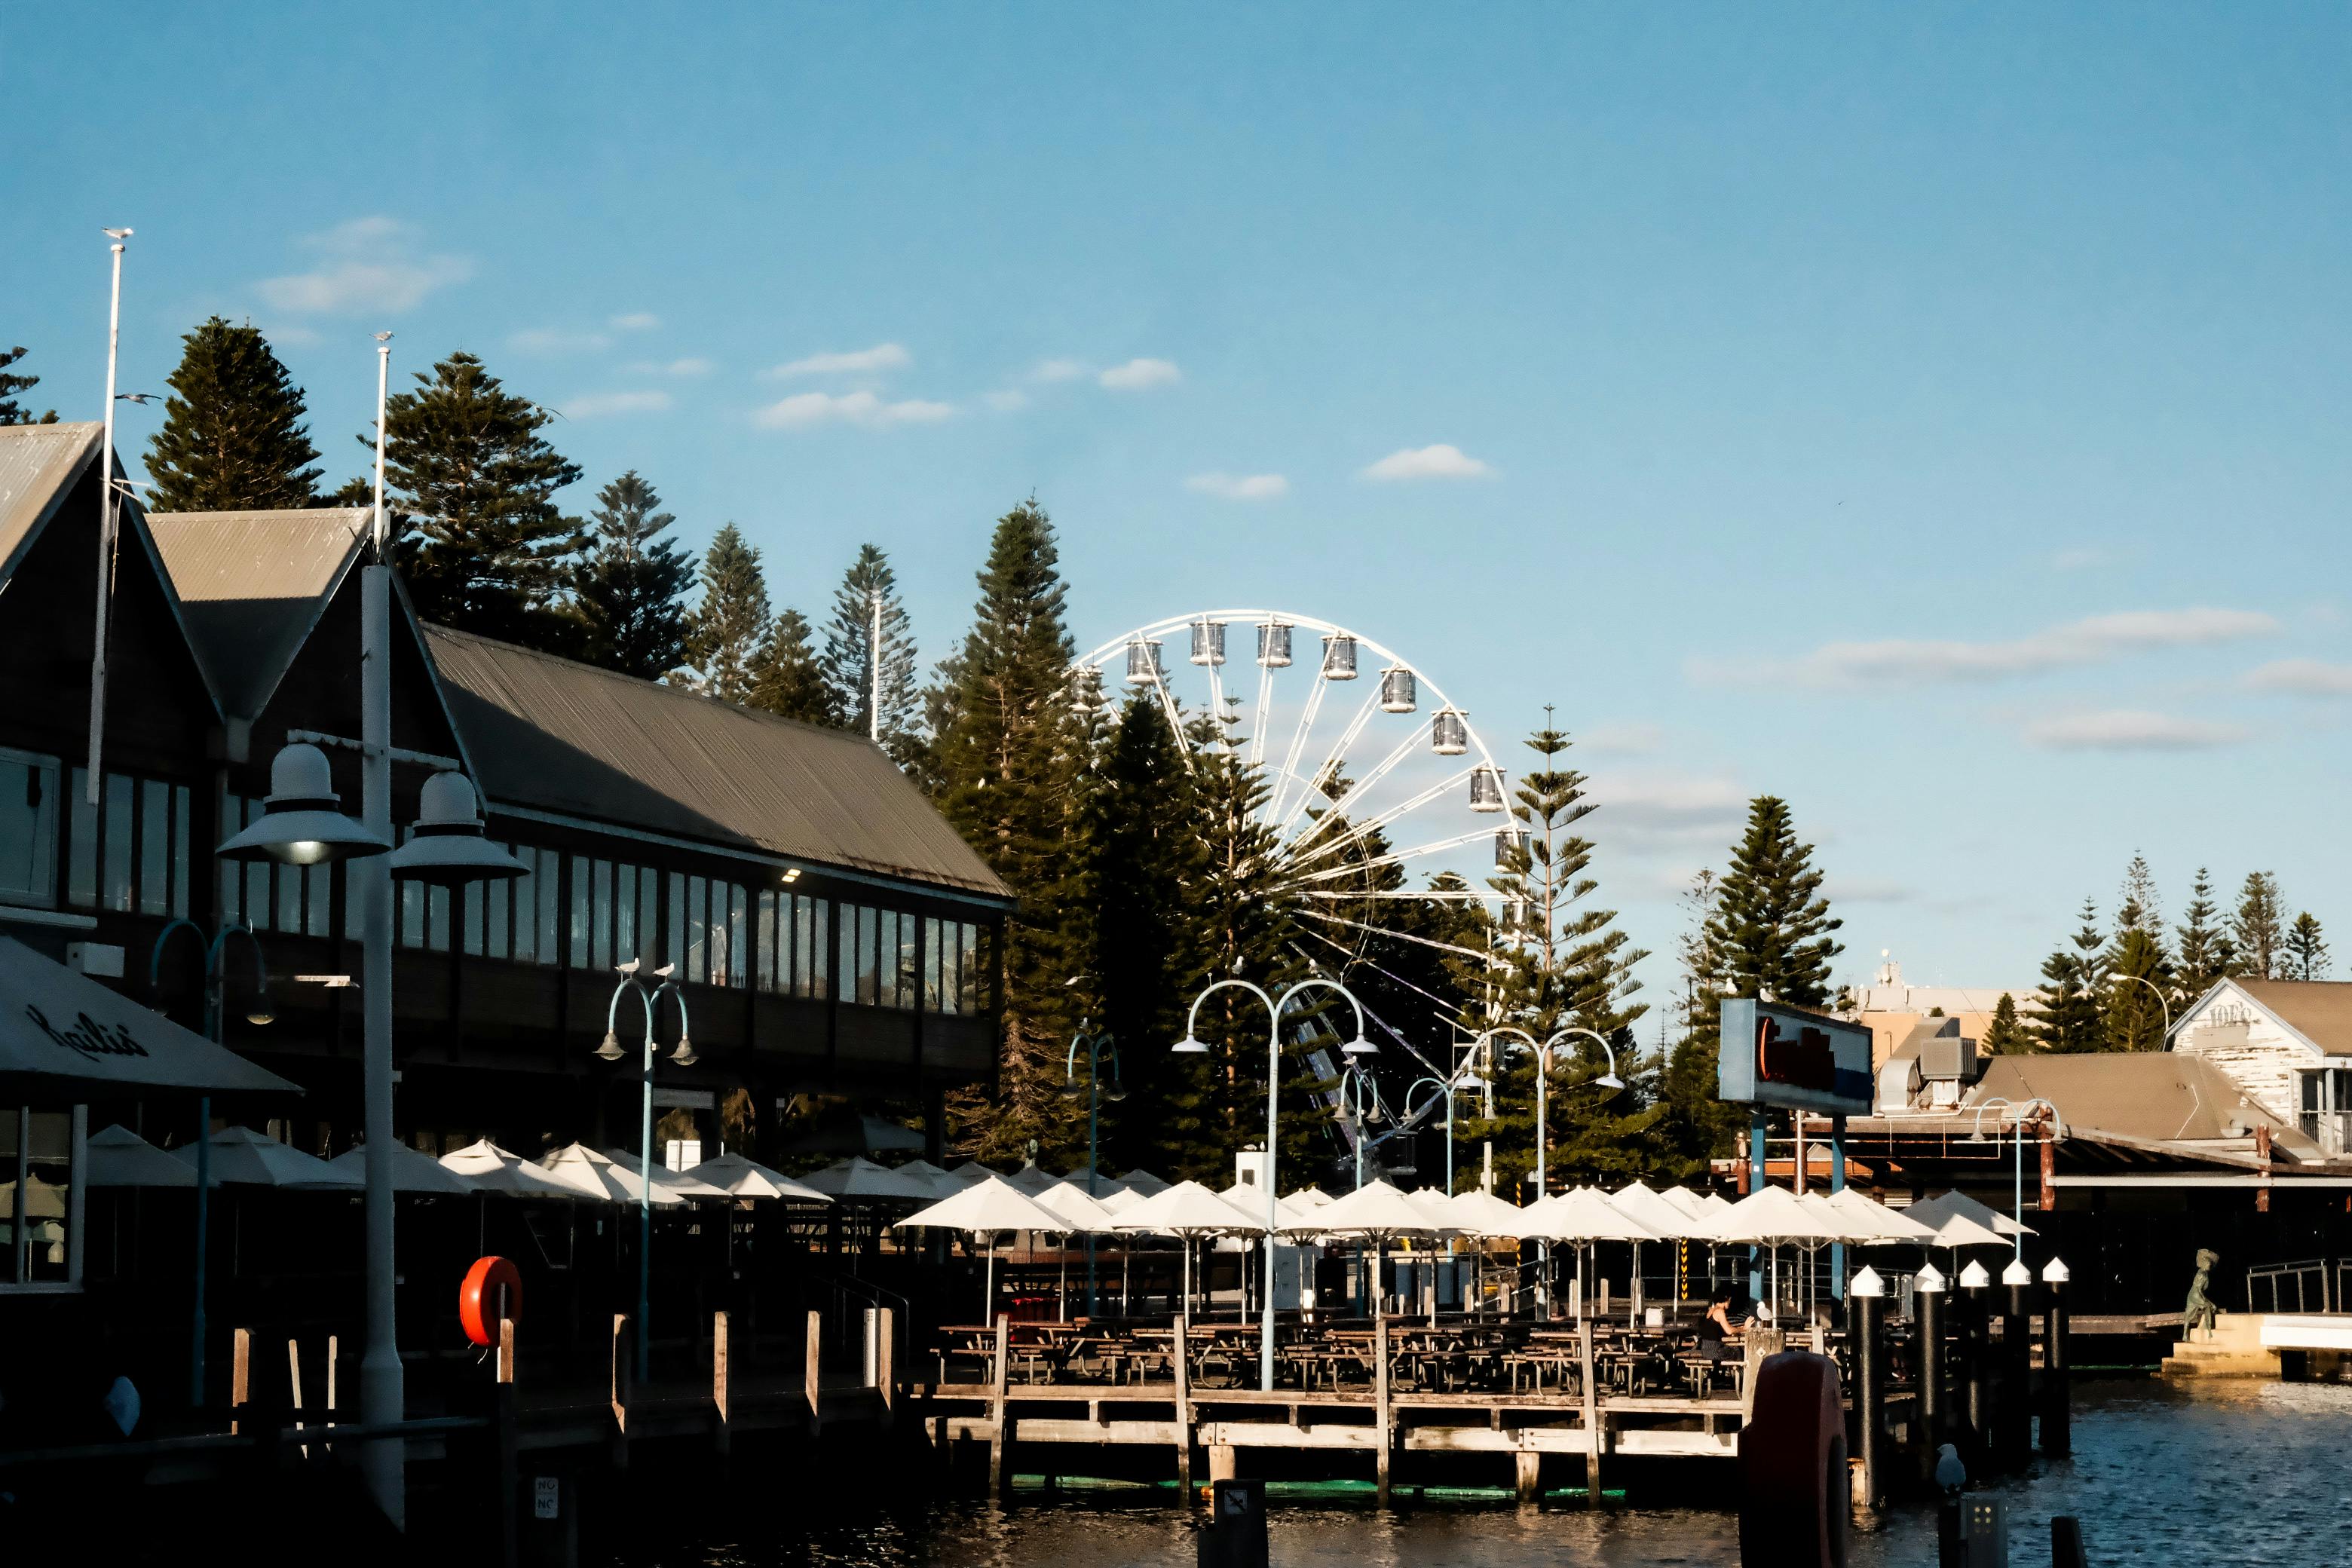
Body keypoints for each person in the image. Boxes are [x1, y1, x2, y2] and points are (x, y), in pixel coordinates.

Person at [1696, 1285, 1744, 1363]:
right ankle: (1742, 1374)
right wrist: (1744, 1328)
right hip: (1716, 1351)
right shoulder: (1720, 1311)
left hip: (1705, 1350)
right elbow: (1729, 1331)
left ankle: (1721, 1373)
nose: (1730, 1302)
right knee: (1738, 1351)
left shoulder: (1711, 1311)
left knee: (1731, 1350)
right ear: (1726, 1298)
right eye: (1729, 1300)